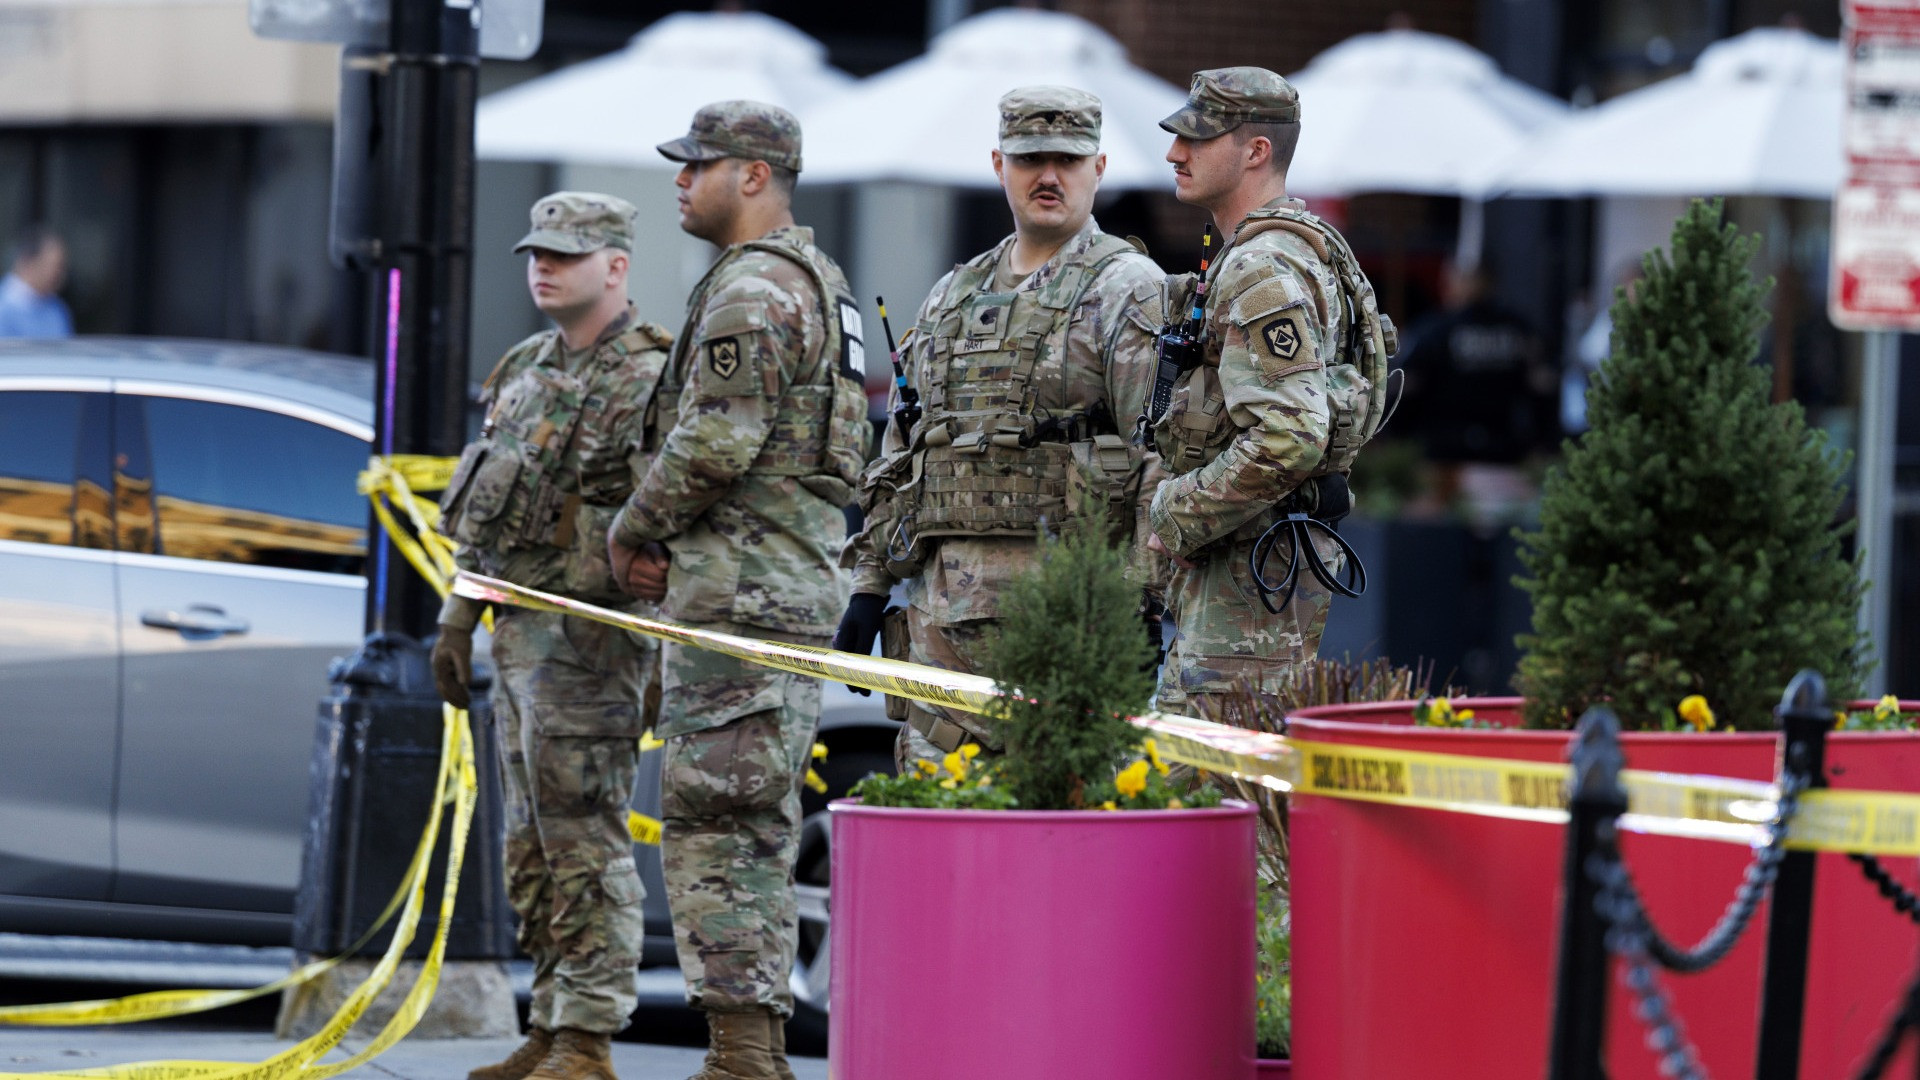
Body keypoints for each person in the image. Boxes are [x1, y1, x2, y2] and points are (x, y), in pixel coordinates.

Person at [604, 101, 866, 1080]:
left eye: (697, 164)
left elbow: (714, 444)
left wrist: (629, 528)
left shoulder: (754, 291)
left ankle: (743, 1059)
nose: (680, 180)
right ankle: (744, 1053)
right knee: (750, 826)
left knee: (719, 829)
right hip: (777, 591)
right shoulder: (816, 282)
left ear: (753, 176)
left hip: (743, 601)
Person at [831, 85, 1165, 769]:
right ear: (998, 164)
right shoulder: (952, 295)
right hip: (941, 642)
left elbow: (1159, 457)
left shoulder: (1127, 289)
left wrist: (1142, 600)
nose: (1049, 176)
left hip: (1068, 634)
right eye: (1029, 158)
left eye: (1068, 160)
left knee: (1059, 844)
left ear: (1098, 169)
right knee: (940, 840)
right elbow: (902, 451)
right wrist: (868, 588)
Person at [430, 193, 673, 1080]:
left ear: (616, 266)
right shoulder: (525, 366)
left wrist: (660, 640)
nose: (544, 267)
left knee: (584, 838)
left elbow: (673, 523)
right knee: (528, 843)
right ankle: (550, 1016)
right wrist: (459, 618)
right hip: (520, 636)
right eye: (537, 252)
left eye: (567, 255)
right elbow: (485, 512)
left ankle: (588, 1037)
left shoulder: (654, 376)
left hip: (594, 641)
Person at [1147, 67, 1387, 720]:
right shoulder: (1293, 251)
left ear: (1256, 151)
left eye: (1197, 139)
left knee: (1207, 799)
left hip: (1247, 593)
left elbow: (1291, 435)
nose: (1175, 153)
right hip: (1256, 576)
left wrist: (1175, 512)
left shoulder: (1262, 268)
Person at [1395, 258, 1555, 522]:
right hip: (1504, 450)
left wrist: (1400, 437)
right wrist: (1541, 442)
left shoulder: (1434, 330)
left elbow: (1408, 388)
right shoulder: (1520, 331)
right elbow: (1543, 389)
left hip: (1443, 454)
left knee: (1438, 532)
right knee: (1500, 528)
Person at [0, 225, 73, 338]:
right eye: (55, 267)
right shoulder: (4, 307)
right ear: (28, 262)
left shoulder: (57, 309)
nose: (59, 274)